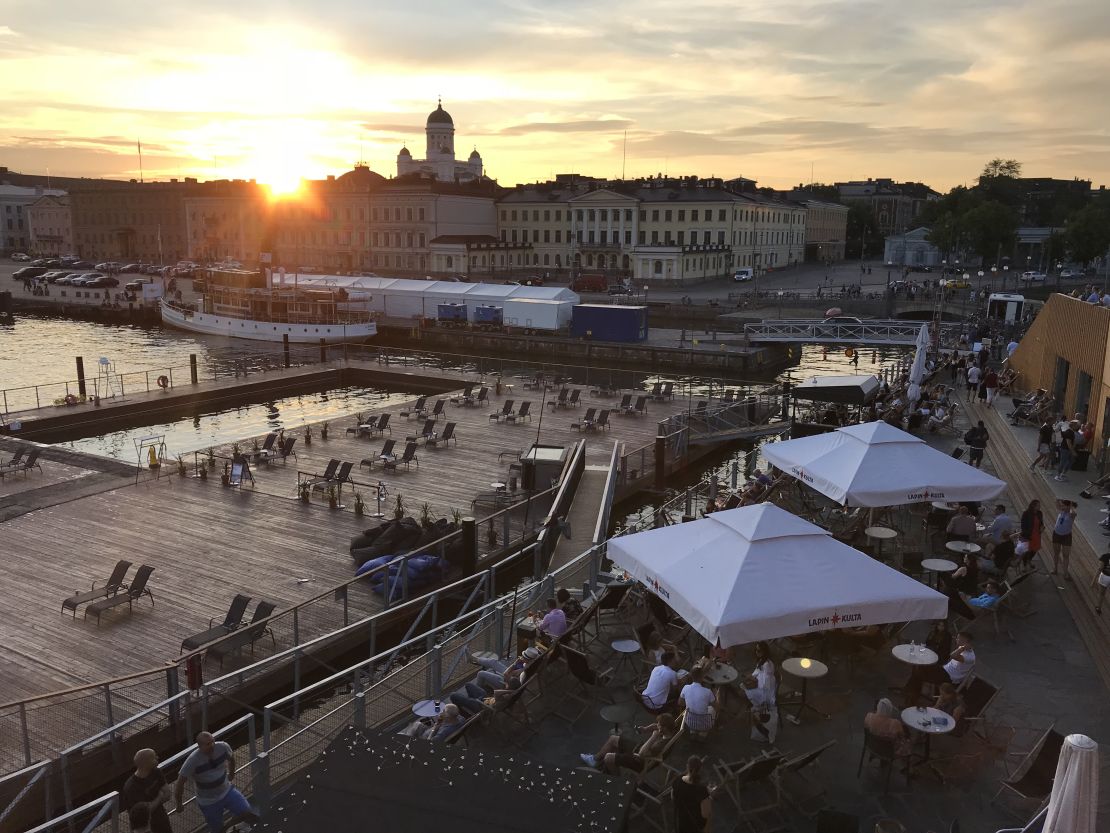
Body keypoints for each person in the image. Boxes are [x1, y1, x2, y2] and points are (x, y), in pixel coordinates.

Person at [174, 732, 259, 833]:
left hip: (227, 791)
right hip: (208, 801)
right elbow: (180, 783)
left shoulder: (223, 747)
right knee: (216, 828)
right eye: (208, 744)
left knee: (246, 811)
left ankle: (228, 827)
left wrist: (231, 773)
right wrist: (179, 803)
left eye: (212, 741)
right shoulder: (192, 761)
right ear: (200, 746)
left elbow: (231, 758)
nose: (212, 745)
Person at [580, 713, 676, 772]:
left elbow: (641, 754)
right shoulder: (670, 731)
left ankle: (616, 780)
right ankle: (595, 760)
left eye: (659, 725)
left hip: (641, 761)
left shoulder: (661, 744)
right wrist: (646, 729)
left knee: (608, 757)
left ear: (664, 728)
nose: (657, 725)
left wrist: (653, 737)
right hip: (640, 749)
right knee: (614, 738)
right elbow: (656, 725)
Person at [122, 749, 171, 833]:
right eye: (154, 757)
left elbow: (167, 794)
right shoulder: (131, 787)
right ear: (146, 763)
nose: (157, 757)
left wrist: (152, 805)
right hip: (144, 827)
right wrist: (159, 797)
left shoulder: (156, 772)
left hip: (162, 820)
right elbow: (141, 813)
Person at [672, 756, 714, 833]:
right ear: (700, 770)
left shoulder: (677, 780)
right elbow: (706, 814)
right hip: (695, 827)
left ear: (687, 766)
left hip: (681, 822)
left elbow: (674, 797)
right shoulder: (702, 790)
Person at [1051, 499, 1077, 580]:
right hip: (1056, 534)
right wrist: (1059, 500)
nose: (1061, 507)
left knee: (1066, 555)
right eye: (1061, 506)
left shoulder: (1071, 514)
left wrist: (1071, 505)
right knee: (1056, 553)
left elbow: (1074, 513)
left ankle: (1065, 573)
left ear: (1068, 506)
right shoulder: (1062, 511)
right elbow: (1056, 503)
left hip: (1066, 536)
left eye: (1063, 506)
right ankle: (1055, 569)